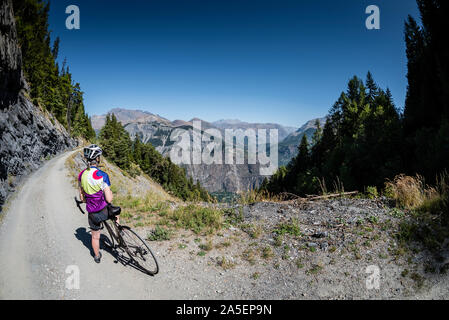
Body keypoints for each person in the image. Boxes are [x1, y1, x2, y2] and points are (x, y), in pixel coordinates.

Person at [78, 144, 113, 263]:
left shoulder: (81, 175)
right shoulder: (102, 175)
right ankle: (120, 230)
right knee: (115, 211)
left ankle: (97, 256)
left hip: (92, 212)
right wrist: (110, 193)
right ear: (97, 159)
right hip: (103, 210)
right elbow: (108, 199)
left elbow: (82, 198)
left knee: (95, 236)